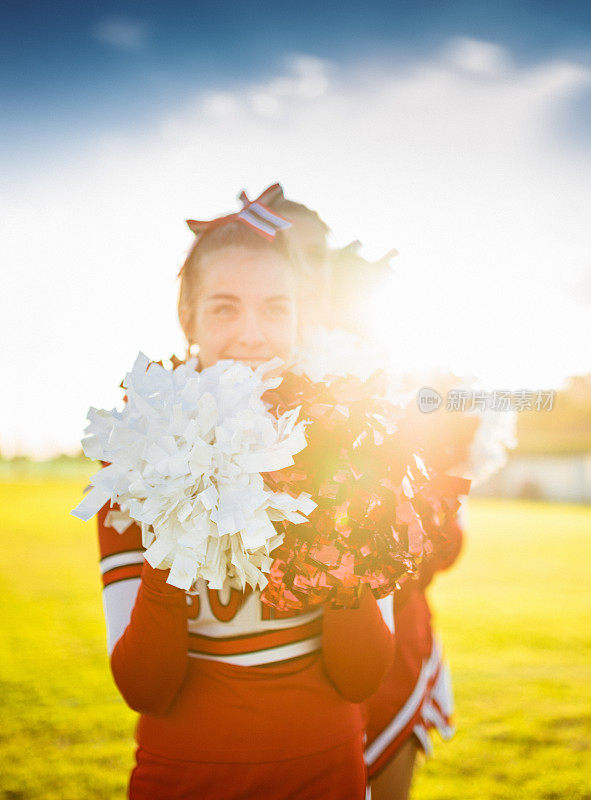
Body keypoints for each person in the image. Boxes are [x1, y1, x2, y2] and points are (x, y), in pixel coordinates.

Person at [96, 192, 394, 799]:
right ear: (189, 319)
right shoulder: (131, 457)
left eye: (275, 309)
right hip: (181, 781)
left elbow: (362, 676)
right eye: (225, 309)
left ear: (298, 320)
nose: (252, 335)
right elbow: (144, 690)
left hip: (327, 776)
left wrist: (338, 527)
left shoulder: (356, 447)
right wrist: (171, 528)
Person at [256, 183, 465, 800]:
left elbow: (440, 550)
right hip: (266, 653)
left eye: (317, 255)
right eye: (283, 251)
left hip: (382, 628)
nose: (304, 271)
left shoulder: (385, 373)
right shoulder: (226, 378)